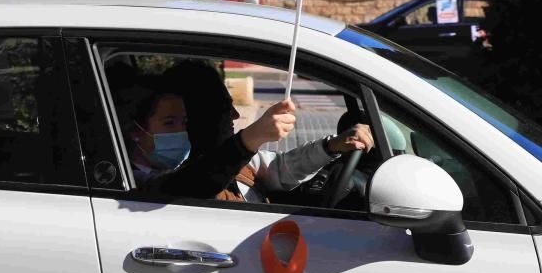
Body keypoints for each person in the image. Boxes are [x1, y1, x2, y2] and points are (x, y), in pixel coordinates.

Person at [124, 66, 373, 203]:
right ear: (136, 131)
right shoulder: (131, 185)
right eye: (170, 122)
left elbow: (278, 168)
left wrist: (331, 147)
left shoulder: (209, 155)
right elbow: (191, 186)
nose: (233, 115)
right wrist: (250, 138)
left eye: (184, 120)